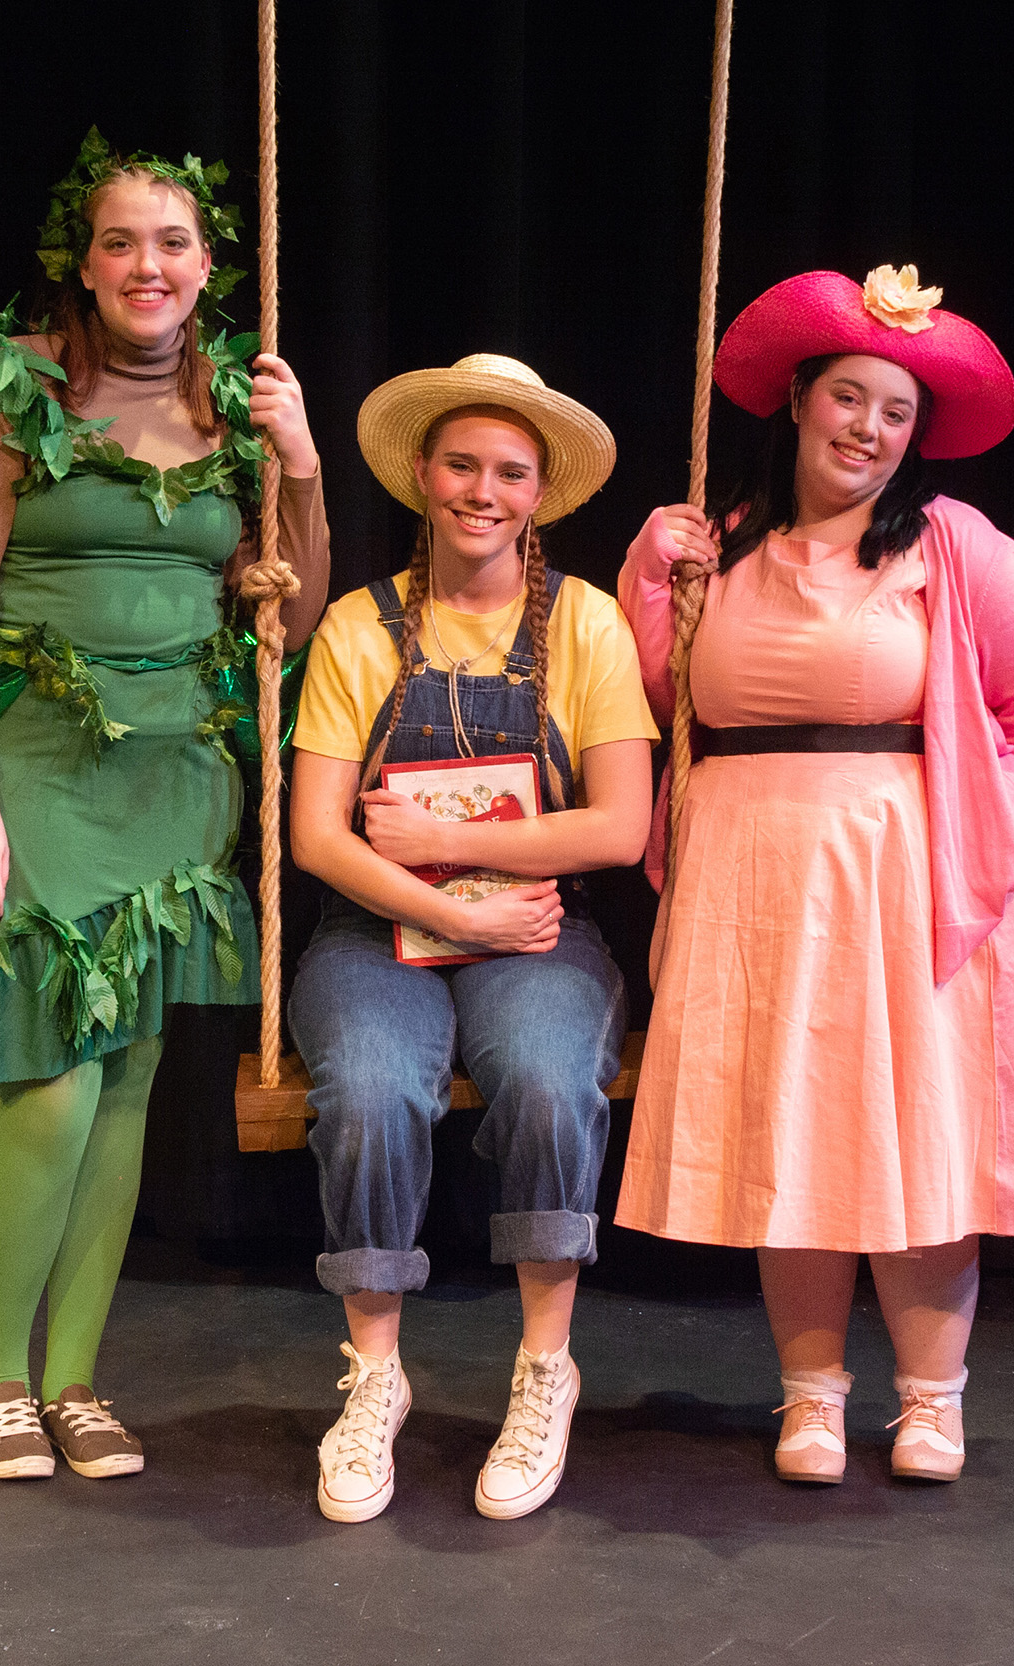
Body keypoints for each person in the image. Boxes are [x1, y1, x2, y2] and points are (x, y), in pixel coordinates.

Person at [613, 266, 1014, 1485]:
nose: (868, 429)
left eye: (894, 413)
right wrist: (649, 573)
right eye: (848, 398)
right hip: (752, 870)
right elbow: (657, 704)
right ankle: (809, 1395)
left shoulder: (951, 547)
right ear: (798, 402)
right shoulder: (723, 546)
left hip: (907, 870)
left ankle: (930, 1398)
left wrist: (975, 801)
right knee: (789, 1128)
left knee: (919, 1130)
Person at [0, 127, 330, 1482]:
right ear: (83, 257)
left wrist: (298, 466)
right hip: (39, 767)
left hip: (177, 772)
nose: (150, 264)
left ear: (209, 265)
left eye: (175, 242)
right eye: (124, 239)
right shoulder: (8, 392)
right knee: (56, 1089)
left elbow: (288, 616)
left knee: (128, 1084)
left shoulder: (237, 404)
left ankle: (76, 1379)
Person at [284, 355, 658, 1522]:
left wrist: (442, 854)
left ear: (538, 493)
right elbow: (315, 835)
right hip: (377, 925)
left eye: (509, 471)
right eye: (461, 464)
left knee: (551, 1081)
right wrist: (449, 905)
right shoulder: (357, 627)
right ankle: (377, 1376)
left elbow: (621, 823)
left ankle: (545, 1367)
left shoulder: (586, 625)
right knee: (372, 1086)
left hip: (539, 931)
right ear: (420, 474)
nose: (481, 491)